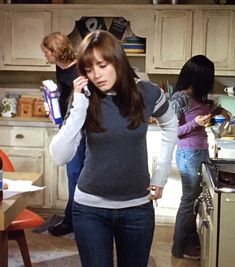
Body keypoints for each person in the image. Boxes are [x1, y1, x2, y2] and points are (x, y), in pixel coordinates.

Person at [49, 30, 178, 267]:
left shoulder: (147, 93)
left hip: (137, 209)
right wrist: (78, 105)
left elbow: (171, 124)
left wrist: (160, 176)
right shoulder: (83, 98)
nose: (96, 74)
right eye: (89, 68)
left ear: (117, 59)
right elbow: (59, 155)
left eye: (102, 64)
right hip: (90, 209)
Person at [170, 55, 231, 260]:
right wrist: (196, 122)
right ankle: (178, 248)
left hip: (199, 152)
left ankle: (189, 242)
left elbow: (199, 119)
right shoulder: (180, 97)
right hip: (188, 154)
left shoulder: (196, 98)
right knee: (189, 201)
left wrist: (216, 111)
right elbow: (171, 131)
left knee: (195, 201)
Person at [41, 32, 86, 236]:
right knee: (73, 175)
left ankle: (72, 221)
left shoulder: (79, 70)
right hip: (66, 125)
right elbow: (65, 97)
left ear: (56, 51)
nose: (46, 57)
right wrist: (52, 105)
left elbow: (84, 102)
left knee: (76, 175)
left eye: (47, 53)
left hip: (80, 129)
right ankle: (74, 220)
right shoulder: (59, 68)